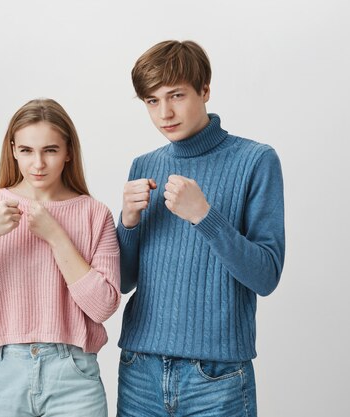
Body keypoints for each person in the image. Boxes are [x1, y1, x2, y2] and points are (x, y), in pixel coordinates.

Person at [116, 40, 285, 416]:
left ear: (205, 90)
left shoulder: (256, 160)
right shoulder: (143, 165)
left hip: (218, 377)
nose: (165, 112)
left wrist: (205, 217)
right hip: (139, 368)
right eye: (152, 101)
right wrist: (127, 223)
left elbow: (266, 276)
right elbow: (124, 281)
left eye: (176, 95)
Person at [0, 98, 120, 417]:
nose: (38, 163)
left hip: (73, 376)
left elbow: (103, 305)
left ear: (68, 152)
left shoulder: (94, 214)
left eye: (50, 150)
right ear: (13, 150)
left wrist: (55, 236)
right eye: (26, 151)